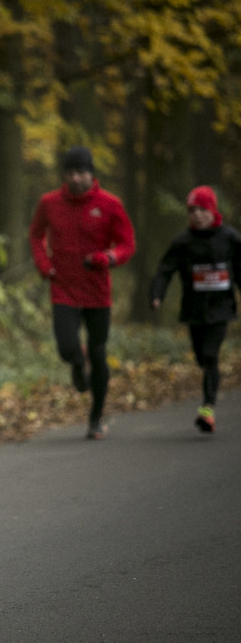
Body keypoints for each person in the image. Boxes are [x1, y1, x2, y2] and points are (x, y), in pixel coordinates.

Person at [29, 146, 136, 440]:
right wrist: (43, 263)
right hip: (62, 286)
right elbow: (36, 234)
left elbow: (127, 244)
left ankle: (96, 417)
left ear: (92, 174)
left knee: (99, 352)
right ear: (64, 175)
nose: (76, 179)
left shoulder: (110, 204)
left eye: (81, 173)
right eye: (70, 173)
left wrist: (110, 258)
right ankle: (78, 362)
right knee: (67, 346)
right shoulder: (49, 203)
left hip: (97, 291)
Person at [149, 185, 241, 433]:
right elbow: (164, 271)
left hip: (221, 309)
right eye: (192, 210)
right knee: (202, 357)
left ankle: (207, 408)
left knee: (211, 356)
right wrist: (156, 295)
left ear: (213, 210)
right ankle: (208, 395)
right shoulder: (182, 242)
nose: (197, 215)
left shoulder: (230, 238)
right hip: (194, 311)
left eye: (202, 209)